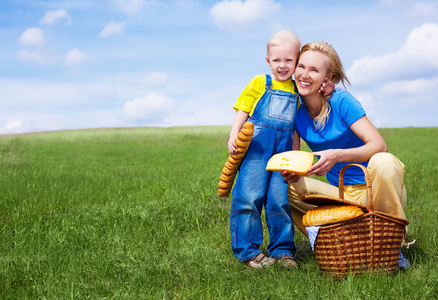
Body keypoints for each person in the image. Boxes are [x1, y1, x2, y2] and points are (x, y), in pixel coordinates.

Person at [228, 29, 333, 269]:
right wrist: (234, 133)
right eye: (277, 60)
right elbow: (243, 109)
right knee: (248, 198)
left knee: (279, 201)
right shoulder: (260, 82)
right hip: (255, 151)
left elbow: (296, 127)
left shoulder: (299, 91)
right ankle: (248, 251)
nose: (283, 65)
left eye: (289, 60)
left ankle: (283, 251)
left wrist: (295, 159)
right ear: (268, 61)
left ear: (297, 62)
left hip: (282, 157)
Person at [281, 42, 407, 241]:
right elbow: (296, 163)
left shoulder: (341, 101)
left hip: (373, 189)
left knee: (384, 161)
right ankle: (334, 241)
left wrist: (337, 155)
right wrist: (291, 172)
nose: (304, 74)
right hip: (340, 194)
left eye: (314, 70)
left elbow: (379, 145)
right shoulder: (297, 114)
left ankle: (391, 240)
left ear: (328, 78)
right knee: (284, 187)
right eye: (301, 66)